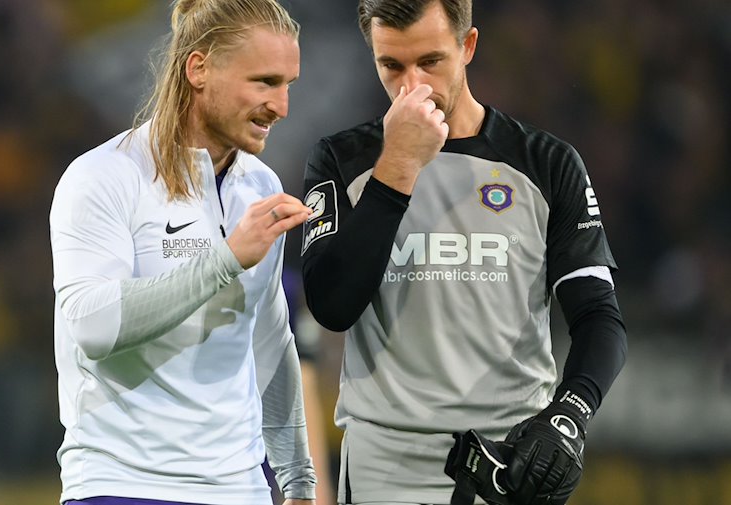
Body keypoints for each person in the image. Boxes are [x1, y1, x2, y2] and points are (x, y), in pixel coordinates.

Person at [299, 1, 628, 504]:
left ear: (468, 46)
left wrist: (569, 415)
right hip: (385, 469)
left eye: (431, 61)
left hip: (509, 464)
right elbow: (332, 306)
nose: (414, 87)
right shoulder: (343, 160)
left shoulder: (545, 163)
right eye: (392, 65)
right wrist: (399, 167)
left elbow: (598, 316)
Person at [49, 1, 317, 504]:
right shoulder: (103, 177)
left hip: (242, 489)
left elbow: (268, 337)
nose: (281, 106)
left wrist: (298, 479)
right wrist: (224, 259)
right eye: (263, 82)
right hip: (125, 485)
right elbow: (94, 327)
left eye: (288, 85)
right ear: (199, 69)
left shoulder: (260, 185)